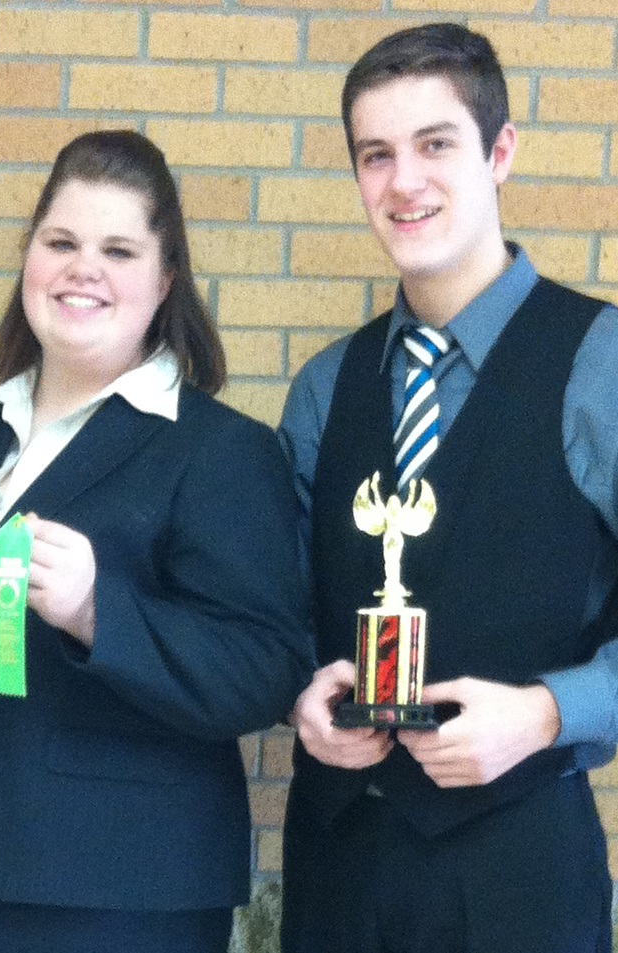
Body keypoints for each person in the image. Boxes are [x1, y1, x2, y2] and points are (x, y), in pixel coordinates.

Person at [0, 130, 315, 953]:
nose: (82, 267)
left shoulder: (219, 451)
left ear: (165, 280)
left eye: (117, 249)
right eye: (61, 242)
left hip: (111, 896)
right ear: (28, 258)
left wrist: (101, 611)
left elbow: (265, 669)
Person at [279, 22, 618, 953]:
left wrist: (550, 711)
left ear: (499, 151)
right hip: (336, 857)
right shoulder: (323, 387)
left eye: (435, 144)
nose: (403, 181)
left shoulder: (601, 364)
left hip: (519, 864)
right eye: (375, 154)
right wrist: (298, 693)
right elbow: (276, 607)